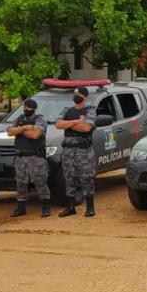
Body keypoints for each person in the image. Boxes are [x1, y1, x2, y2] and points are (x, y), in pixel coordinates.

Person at [55, 87, 96, 218]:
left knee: (86, 178)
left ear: (85, 96)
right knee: (69, 178)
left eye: (79, 94)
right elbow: (58, 124)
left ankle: (90, 207)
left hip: (83, 151)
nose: (76, 96)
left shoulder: (90, 110)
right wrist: (75, 122)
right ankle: (71, 207)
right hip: (68, 151)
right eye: (75, 94)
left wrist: (68, 123)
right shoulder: (67, 110)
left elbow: (86, 128)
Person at [7, 99, 50, 218]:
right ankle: (21, 208)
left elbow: (35, 135)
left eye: (28, 108)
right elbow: (9, 132)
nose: (25, 109)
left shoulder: (40, 120)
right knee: (21, 183)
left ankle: (46, 207)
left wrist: (19, 130)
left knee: (40, 182)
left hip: (35, 157)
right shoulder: (20, 119)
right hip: (21, 157)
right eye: (24, 107)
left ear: (34, 108)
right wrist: (25, 128)